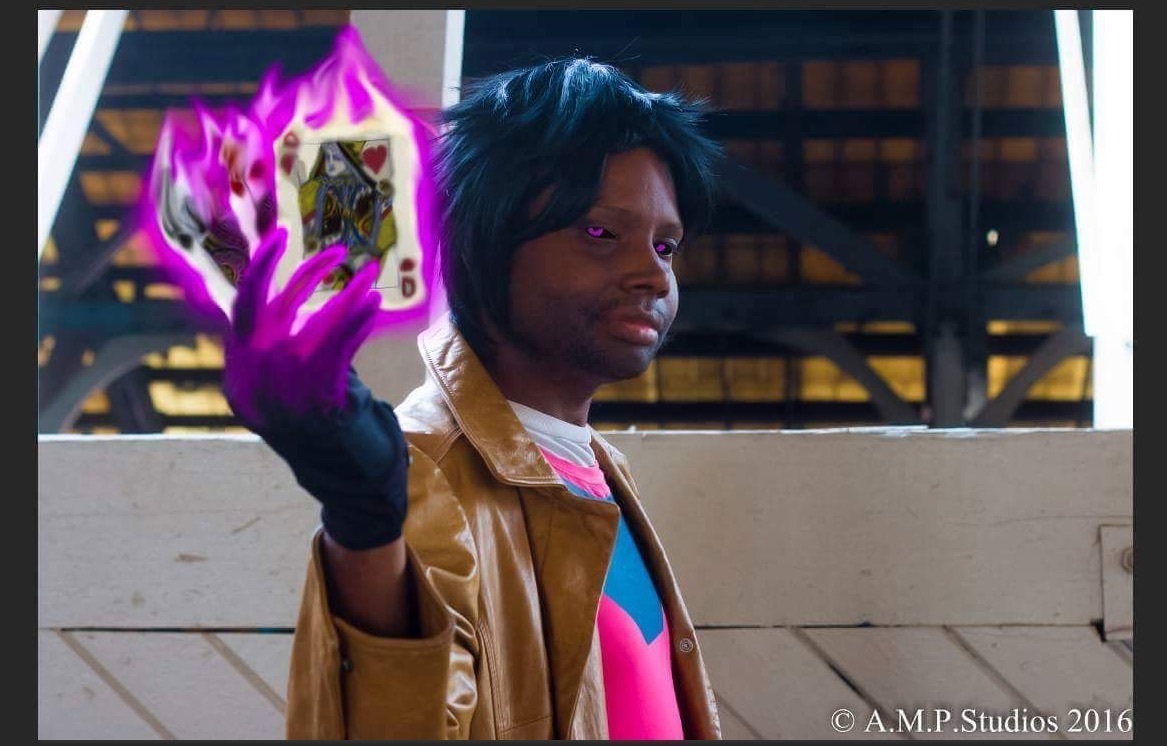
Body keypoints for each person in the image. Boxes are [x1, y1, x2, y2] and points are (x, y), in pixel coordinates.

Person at [222, 57, 724, 740]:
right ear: (483, 242)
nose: (653, 275)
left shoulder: (599, 471)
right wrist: (368, 524)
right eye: (600, 234)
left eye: (666, 246)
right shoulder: (420, 469)